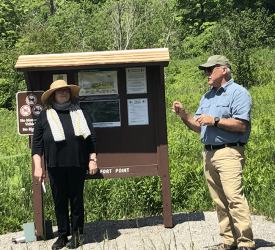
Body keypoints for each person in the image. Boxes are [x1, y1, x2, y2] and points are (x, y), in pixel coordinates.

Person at [172, 55, 255, 250]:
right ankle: (229, 241)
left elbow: (241, 125)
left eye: (210, 69)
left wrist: (215, 121)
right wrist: (184, 116)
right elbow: (200, 127)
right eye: (205, 71)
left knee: (234, 197)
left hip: (229, 152)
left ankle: (246, 242)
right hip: (208, 154)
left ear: (224, 70)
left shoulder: (239, 93)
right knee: (219, 201)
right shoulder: (207, 96)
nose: (207, 74)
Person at [32, 79, 97, 250]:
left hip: (77, 164)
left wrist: (92, 159)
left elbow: (91, 140)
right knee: (59, 202)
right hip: (54, 166)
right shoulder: (44, 116)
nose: (63, 93)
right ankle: (62, 235)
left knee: (76, 201)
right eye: (60, 91)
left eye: (66, 91)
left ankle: (76, 235)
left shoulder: (80, 112)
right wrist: (38, 167)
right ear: (53, 95)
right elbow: (37, 145)